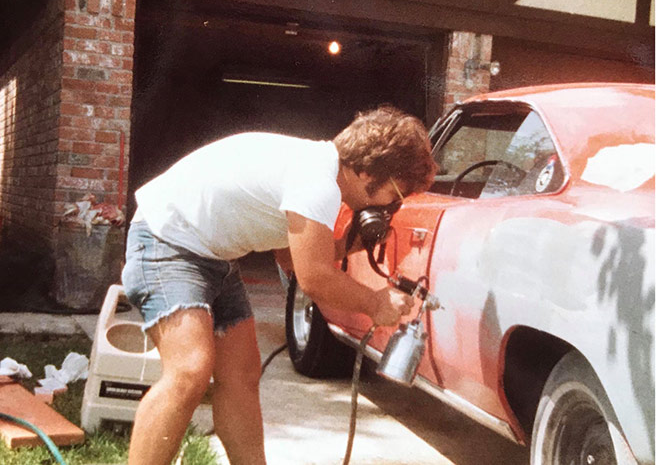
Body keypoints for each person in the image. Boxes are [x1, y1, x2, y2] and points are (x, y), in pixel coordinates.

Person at [120, 106, 437, 464]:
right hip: (166, 242)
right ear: (368, 171)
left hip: (212, 256)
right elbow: (314, 278)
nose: (392, 206)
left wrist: (351, 244)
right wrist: (375, 303)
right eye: (396, 195)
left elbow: (292, 258)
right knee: (190, 370)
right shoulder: (317, 182)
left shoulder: (316, 169)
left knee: (240, 375)